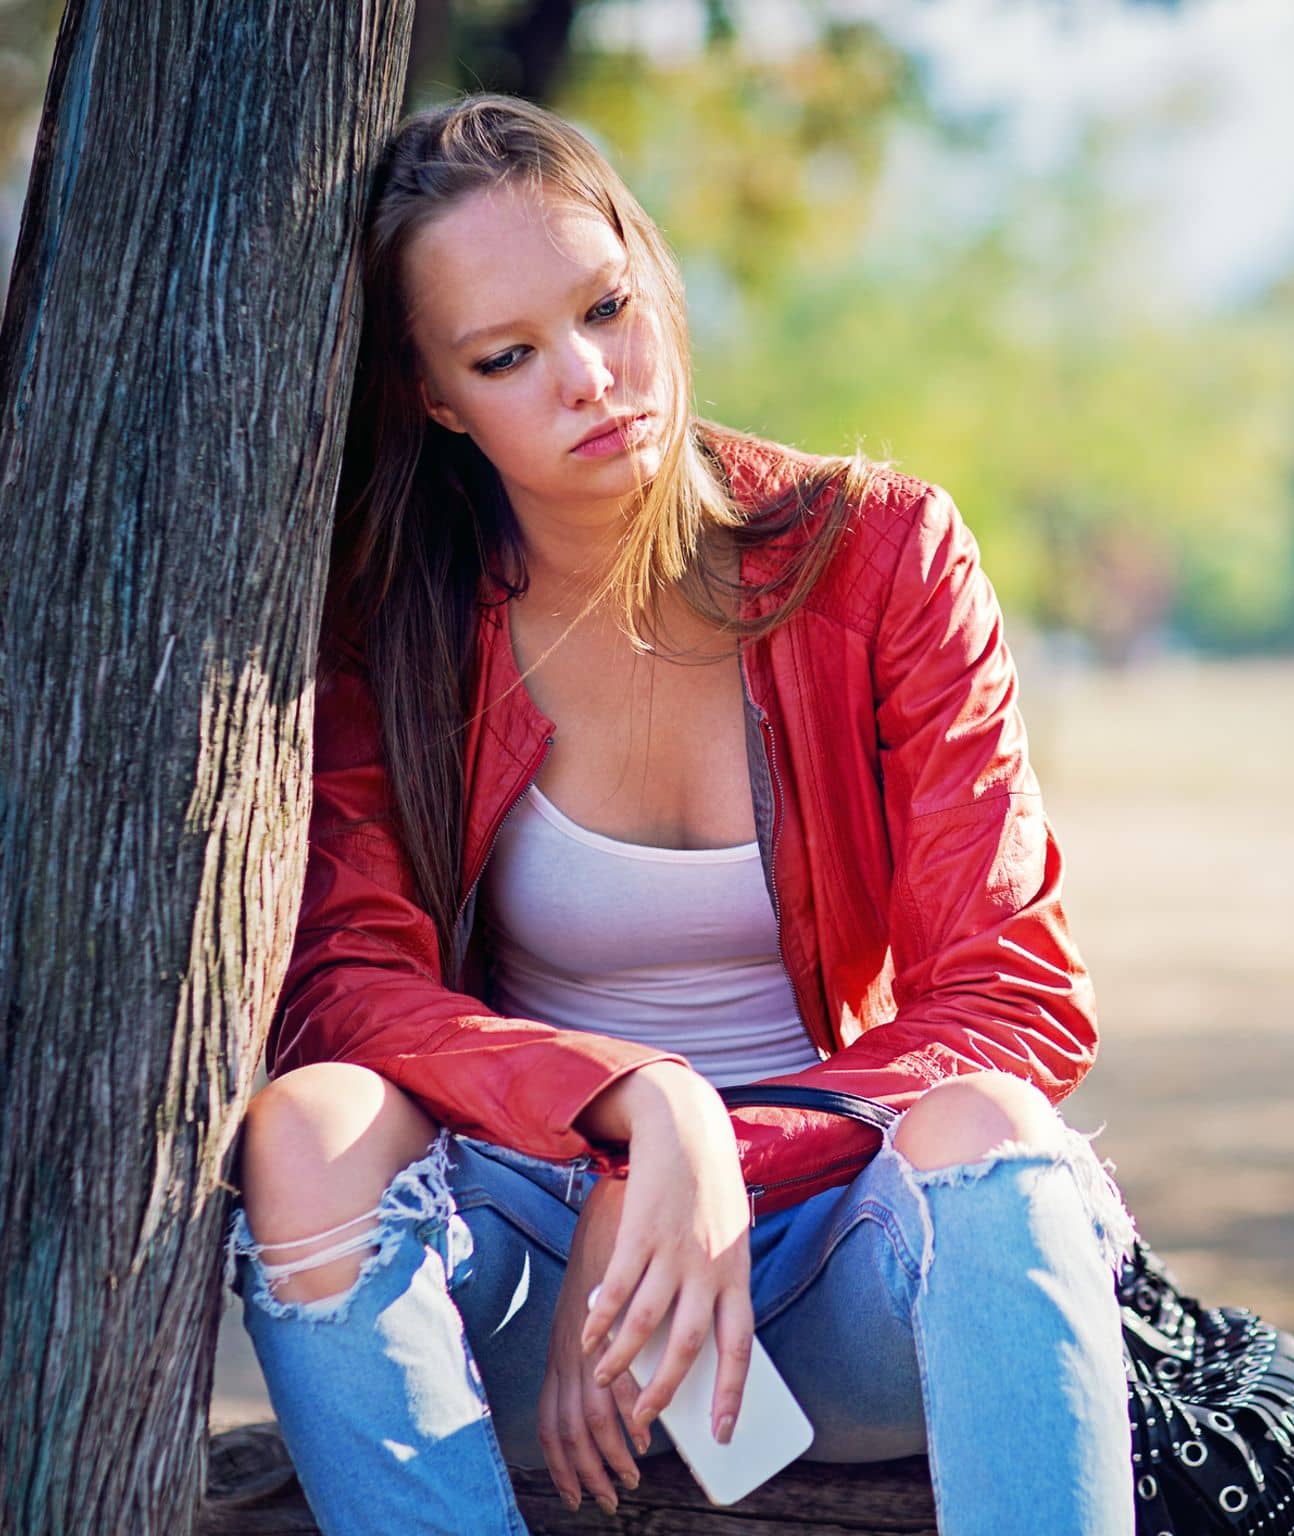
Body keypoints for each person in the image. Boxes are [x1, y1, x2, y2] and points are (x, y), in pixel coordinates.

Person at [218, 92, 1140, 1536]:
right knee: (307, 1129)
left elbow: (1009, 990)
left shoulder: (883, 555)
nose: (593, 378)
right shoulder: (382, 618)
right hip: (539, 1281)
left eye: (608, 307)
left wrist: (713, 1153)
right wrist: (636, 1115)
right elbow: (348, 986)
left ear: (652, 270)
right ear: (437, 398)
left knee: (995, 1129)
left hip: (834, 1253)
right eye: (509, 357)